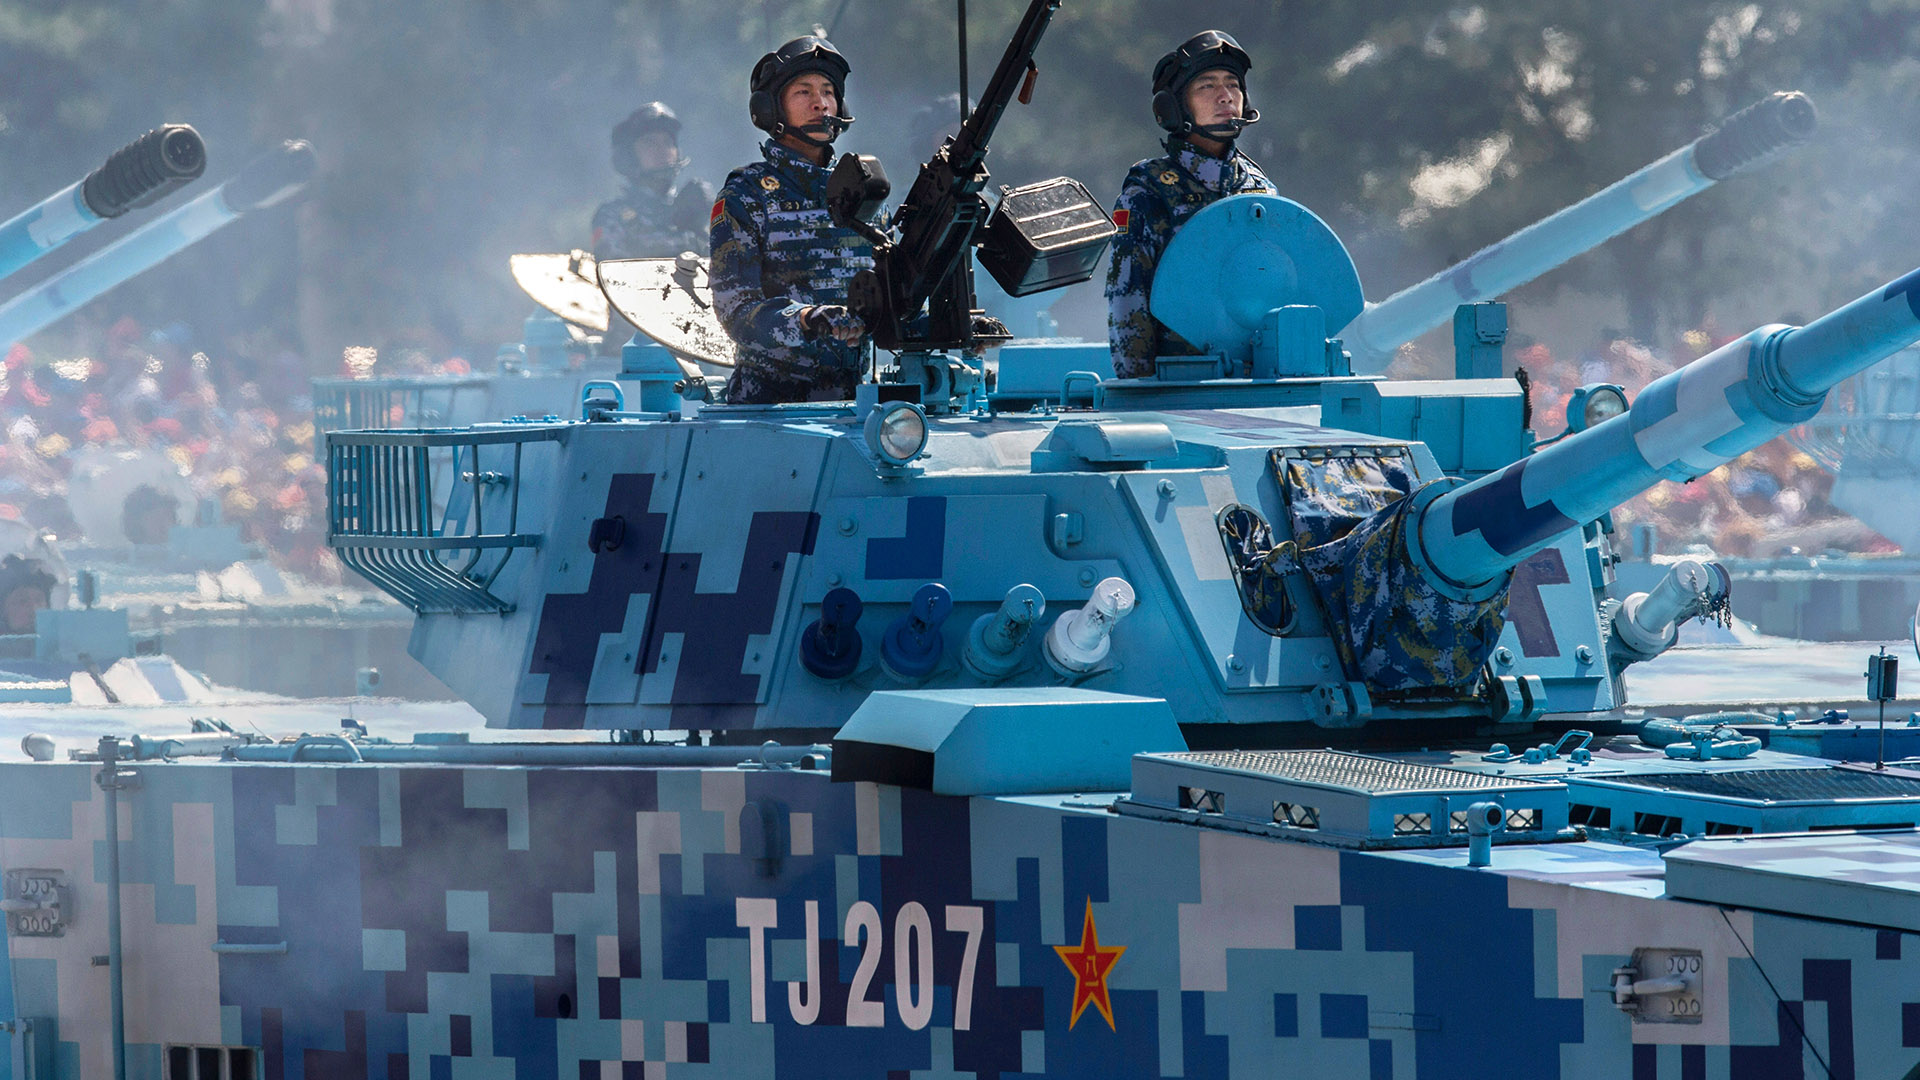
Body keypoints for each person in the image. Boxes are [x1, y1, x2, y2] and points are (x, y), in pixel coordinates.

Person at [709, 36, 879, 404]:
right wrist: (806, 318)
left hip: (855, 405)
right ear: (772, 108)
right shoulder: (746, 195)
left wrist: (955, 323)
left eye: (828, 91)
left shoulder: (863, 193)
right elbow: (736, 311)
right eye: (804, 92)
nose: (821, 103)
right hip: (767, 408)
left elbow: (894, 303)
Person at [1106, 31, 1278, 379]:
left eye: (1233, 84)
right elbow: (1127, 300)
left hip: (1259, 384)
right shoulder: (1147, 192)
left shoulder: (1261, 189)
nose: (1225, 95)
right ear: (1173, 107)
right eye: (1207, 86)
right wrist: (1139, 391)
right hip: (1179, 387)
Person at [591, 102, 714, 261]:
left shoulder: (696, 208)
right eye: (650, 143)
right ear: (629, 155)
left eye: (668, 142)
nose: (662, 150)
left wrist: (706, 222)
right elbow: (613, 267)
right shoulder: (612, 215)